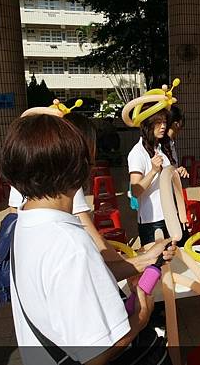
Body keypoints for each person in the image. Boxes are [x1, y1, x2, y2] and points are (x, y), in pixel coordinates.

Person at [2, 115, 174, 365]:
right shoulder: (70, 245)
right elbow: (98, 354)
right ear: (80, 166)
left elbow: (81, 278)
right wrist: (141, 317)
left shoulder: (24, 223)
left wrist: (146, 259)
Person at [8, 112, 145, 281]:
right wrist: (136, 266)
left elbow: (13, 212)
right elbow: (92, 238)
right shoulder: (73, 244)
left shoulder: (25, 226)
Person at [128, 108, 187, 246]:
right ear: (148, 124)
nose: (163, 126)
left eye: (165, 122)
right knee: (157, 263)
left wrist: (175, 172)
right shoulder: (137, 153)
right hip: (152, 220)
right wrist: (153, 171)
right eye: (158, 122)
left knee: (174, 260)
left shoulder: (160, 147)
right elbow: (135, 191)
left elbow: (165, 178)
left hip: (170, 214)